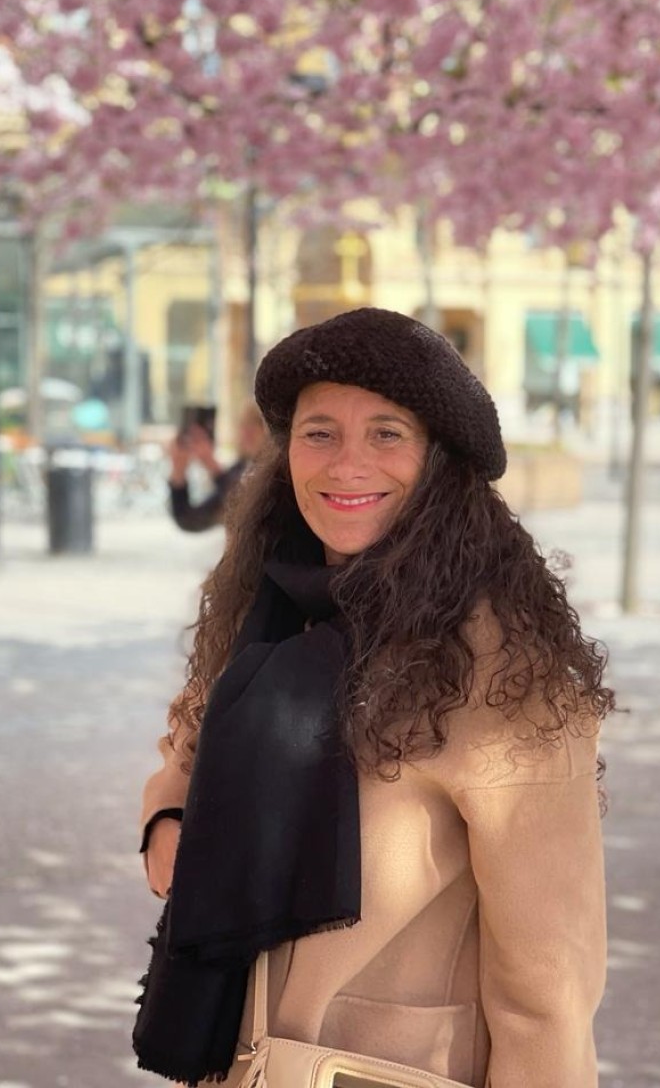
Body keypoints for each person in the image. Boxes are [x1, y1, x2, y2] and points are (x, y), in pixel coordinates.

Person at [134, 308, 613, 1088]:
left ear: (438, 460)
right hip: (236, 1061)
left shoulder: (502, 672)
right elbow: (194, 736)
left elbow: (547, 980)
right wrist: (168, 813)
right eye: (319, 432)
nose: (347, 462)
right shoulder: (272, 608)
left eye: (386, 433)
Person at [167, 402, 266, 532]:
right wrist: (179, 470)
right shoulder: (240, 469)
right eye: (243, 424)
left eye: (257, 423)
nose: (247, 431)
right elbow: (189, 519)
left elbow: (245, 503)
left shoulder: (276, 474)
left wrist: (211, 465)